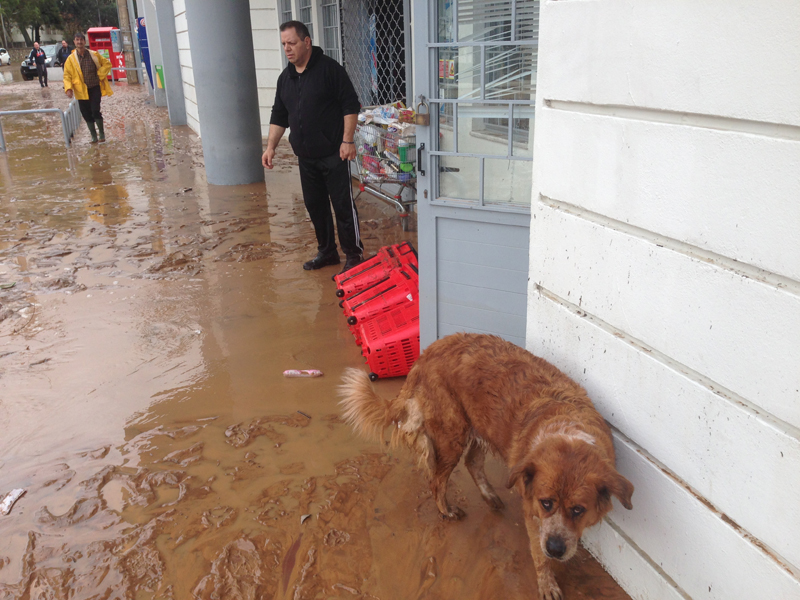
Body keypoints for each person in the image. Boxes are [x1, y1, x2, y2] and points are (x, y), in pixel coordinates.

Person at [262, 21, 364, 274]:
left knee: (342, 206)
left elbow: (350, 105)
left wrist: (347, 140)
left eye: (292, 43)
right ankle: (327, 252)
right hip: (305, 157)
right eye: (284, 44)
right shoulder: (285, 78)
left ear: (307, 42)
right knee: (315, 206)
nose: (287, 49)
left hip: (334, 153)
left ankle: (354, 255)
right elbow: (279, 115)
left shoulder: (331, 70)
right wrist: (270, 147)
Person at [63, 32, 113, 144]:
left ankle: (102, 133)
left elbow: (107, 64)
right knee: (86, 113)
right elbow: (67, 75)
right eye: (77, 40)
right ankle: (93, 135)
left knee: (95, 110)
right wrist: (69, 88)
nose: (79, 42)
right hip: (81, 91)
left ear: (85, 42)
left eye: (81, 40)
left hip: (94, 87)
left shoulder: (94, 55)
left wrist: (100, 75)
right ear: (74, 42)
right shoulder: (71, 59)